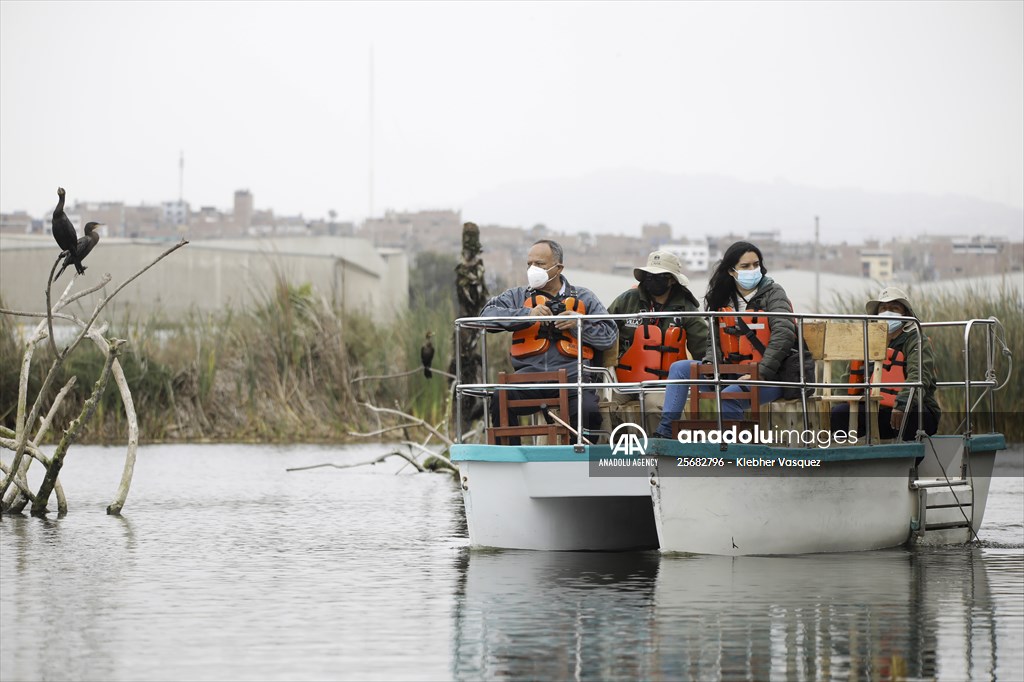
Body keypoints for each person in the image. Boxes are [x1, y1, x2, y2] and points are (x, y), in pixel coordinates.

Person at [653, 241, 796, 438]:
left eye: (756, 265)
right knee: (679, 369)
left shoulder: (774, 293)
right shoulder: (722, 297)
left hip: (771, 376)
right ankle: (666, 432)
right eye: (745, 266)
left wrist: (761, 372)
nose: (752, 270)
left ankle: (734, 449)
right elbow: (714, 339)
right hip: (729, 372)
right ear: (731, 271)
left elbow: (784, 333)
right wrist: (710, 363)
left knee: (730, 395)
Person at [480, 239, 617, 441]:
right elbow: (485, 317)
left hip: (573, 378)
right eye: (529, 264)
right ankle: (511, 457)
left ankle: (582, 458)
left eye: (539, 264)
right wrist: (526, 314)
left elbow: (609, 335)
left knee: (587, 411)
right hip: (530, 377)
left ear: (558, 267)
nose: (532, 269)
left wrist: (578, 325)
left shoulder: (585, 297)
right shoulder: (518, 296)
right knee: (500, 397)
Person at [607, 250, 708, 429]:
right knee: (605, 406)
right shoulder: (627, 301)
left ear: (671, 280)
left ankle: (662, 451)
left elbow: (703, 345)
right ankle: (612, 451)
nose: (652, 280)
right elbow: (604, 328)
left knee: (656, 407)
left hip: (663, 383)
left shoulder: (687, 308)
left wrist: (714, 370)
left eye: (659, 276)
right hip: (625, 378)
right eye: (649, 275)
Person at [830, 287, 940, 440]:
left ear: (906, 314)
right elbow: (849, 377)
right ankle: (849, 460)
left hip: (915, 408)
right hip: (875, 409)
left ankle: (908, 463)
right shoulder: (867, 340)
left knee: (910, 416)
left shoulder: (916, 339)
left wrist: (902, 405)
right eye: (883, 308)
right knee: (839, 414)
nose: (888, 313)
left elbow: (919, 374)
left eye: (894, 308)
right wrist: (837, 403)